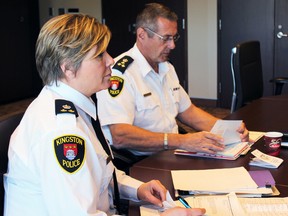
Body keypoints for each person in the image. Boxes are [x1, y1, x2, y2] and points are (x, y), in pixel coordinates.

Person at [3, 14, 205, 216]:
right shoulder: (62, 131)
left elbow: (100, 172)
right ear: (68, 68)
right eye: (100, 55)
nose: (110, 60)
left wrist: (137, 189)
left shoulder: (76, 105)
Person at [97, 3, 249, 159]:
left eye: (174, 37)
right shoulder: (120, 74)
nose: (172, 45)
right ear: (142, 34)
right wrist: (181, 141)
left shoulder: (166, 68)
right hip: (141, 161)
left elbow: (188, 112)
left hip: (172, 151)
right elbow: (120, 135)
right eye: (166, 38)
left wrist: (228, 130)